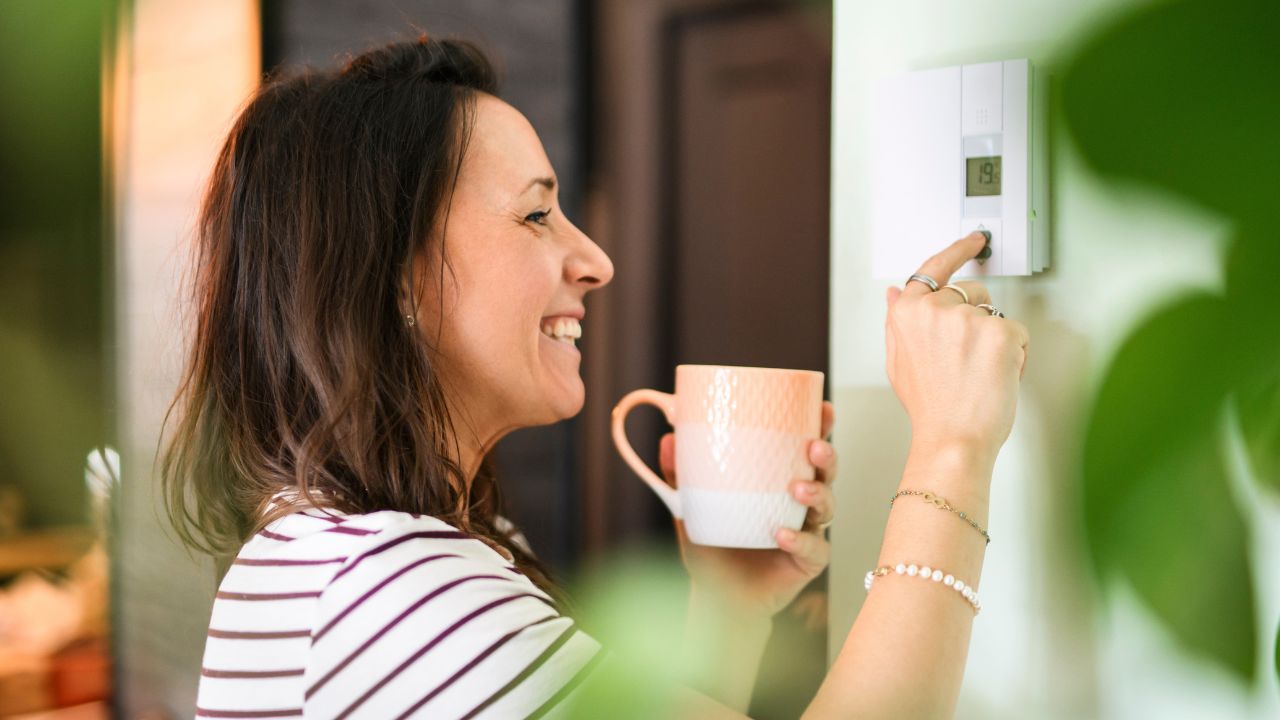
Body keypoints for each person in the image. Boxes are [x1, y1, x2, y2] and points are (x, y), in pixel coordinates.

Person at [163, 35, 1028, 720]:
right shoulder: (390, 592)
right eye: (537, 214)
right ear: (395, 276)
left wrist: (728, 607)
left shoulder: (363, 554)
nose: (596, 261)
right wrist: (952, 449)